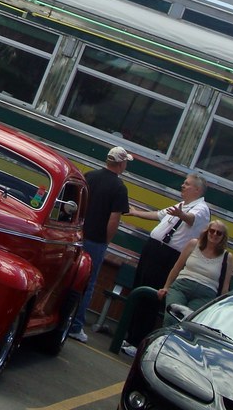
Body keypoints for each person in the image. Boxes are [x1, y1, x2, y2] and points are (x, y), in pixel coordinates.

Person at [120, 173, 211, 355]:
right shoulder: (181, 205)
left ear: (197, 190)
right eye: (183, 184)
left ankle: (137, 341)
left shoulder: (200, 209)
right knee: (140, 287)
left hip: (167, 255)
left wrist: (182, 214)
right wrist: (135, 212)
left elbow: (191, 219)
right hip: (153, 249)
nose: (182, 187)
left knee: (151, 295)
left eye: (186, 184)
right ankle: (129, 335)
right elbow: (159, 215)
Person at [68, 146, 132, 343]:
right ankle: (76, 325)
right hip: (96, 241)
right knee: (87, 283)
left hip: (77, 234)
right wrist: (106, 240)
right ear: (120, 164)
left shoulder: (90, 176)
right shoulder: (119, 188)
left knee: (69, 275)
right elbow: (114, 219)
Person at [158, 220, 233, 326]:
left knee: (187, 324)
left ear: (223, 237)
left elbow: (225, 287)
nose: (214, 234)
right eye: (212, 231)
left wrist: (219, 308)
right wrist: (166, 287)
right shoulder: (193, 244)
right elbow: (177, 267)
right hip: (181, 286)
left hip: (205, 294)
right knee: (170, 318)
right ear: (207, 232)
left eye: (219, 233)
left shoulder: (227, 257)